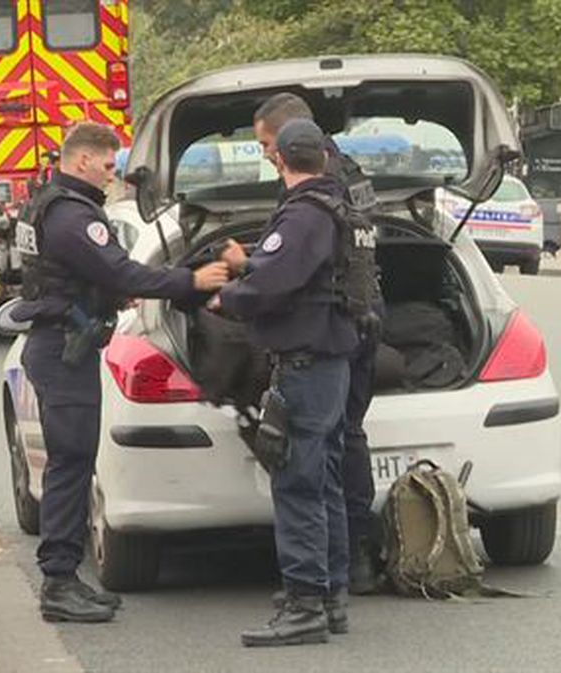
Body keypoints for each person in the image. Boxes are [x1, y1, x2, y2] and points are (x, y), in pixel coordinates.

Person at [12, 122, 229, 623]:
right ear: (83, 159)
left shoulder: (49, 203)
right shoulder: (71, 215)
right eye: (108, 165)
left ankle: (65, 579)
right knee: (70, 464)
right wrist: (190, 281)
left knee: (74, 462)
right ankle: (58, 584)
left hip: (60, 345)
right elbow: (121, 272)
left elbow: (87, 277)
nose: (112, 175)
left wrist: (110, 294)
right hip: (64, 350)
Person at [214, 119, 357, 647]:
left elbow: (271, 283)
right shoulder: (340, 207)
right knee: (325, 481)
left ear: (281, 160)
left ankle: (303, 605)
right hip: (333, 361)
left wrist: (224, 298)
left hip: (306, 362)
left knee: (297, 482)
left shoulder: (303, 215)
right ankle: (330, 595)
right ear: (323, 156)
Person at [253, 93, 385, 594]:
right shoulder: (349, 176)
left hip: (335, 328)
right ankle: (342, 571)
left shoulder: (313, 196)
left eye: (267, 143)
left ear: (288, 141)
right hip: (359, 315)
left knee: (327, 454)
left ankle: (345, 566)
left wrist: (237, 291)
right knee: (338, 443)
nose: (265, 154)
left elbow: (293, 266)